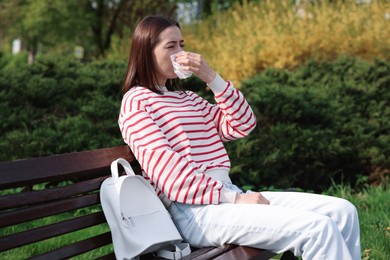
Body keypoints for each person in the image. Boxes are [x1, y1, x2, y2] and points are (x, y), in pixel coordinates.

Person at [118, 15, 361, 260]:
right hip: (195, 211)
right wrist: (235, 198)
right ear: (146, 53)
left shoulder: (188, 99)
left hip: (227, 195)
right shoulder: (137, 102)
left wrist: (212, 78)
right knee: (318, 230)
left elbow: (242, 124)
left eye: (181, 44)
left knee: (343, 212)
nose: (179, 52)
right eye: (170, 46)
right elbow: (170, 176)